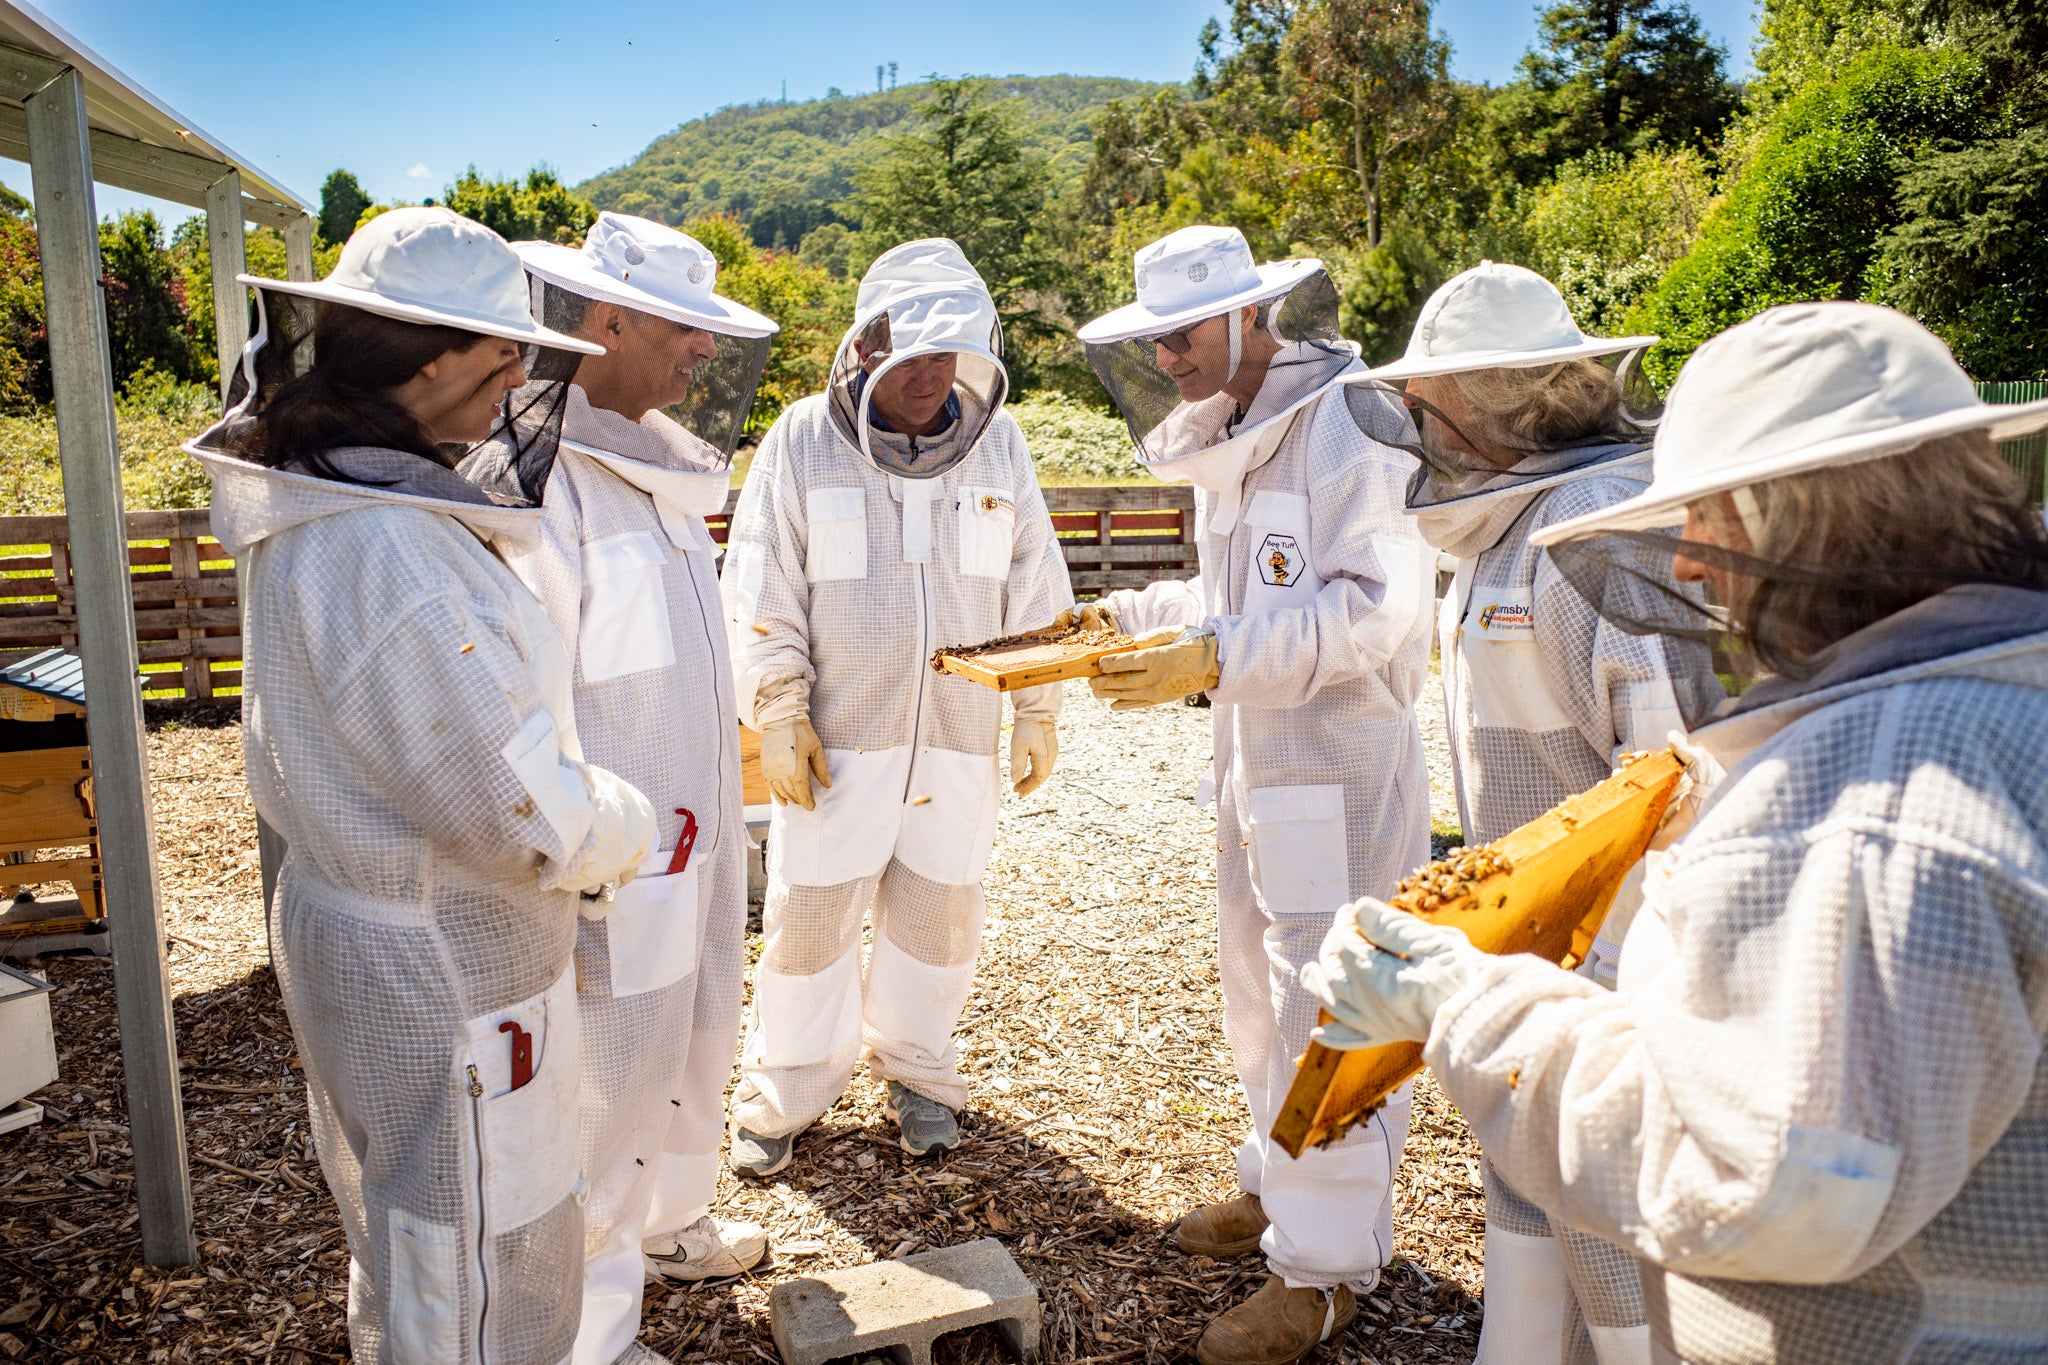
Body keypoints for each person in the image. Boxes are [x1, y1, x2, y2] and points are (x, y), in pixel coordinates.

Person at [1306, 301, 2048, 1364]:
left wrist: (1462, 1001)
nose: (1689, 566)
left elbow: (1779, 1186)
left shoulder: (1866, 802)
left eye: (1708, 521)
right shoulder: (2001, 704)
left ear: (1792, 517)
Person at [189, 207, 657, 1364]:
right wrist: (626, 823)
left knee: (413, 1232)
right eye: (503, 357)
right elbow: (512, 812)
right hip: (447, 961)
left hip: (386, 936)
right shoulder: (387, 549)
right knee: (470, 1254)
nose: (514, 387)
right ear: (428, 356)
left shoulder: (345, 505)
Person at [1347, 261, 1726, 1365]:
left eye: (1433, 400)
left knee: (1607, 1222)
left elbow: (1672, 782)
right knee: (1523, 1185)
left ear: (1496, 399)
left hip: (1613, 968)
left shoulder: (1596, 525)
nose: (1417, 421)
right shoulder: (1506, 526)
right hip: (1532, 959)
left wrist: (1622, 977)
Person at [1075, 224, 1435, 1365]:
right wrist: (1129, 621)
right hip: (1255, 765)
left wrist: (1212, 654)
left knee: (1327, 1017)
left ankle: (1326, 1272)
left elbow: (1374, 610)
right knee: (1255, 995)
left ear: (1248, 317)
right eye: (1156, 340)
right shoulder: (1231, 435)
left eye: (1182, 335)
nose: (1169, 359)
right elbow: (1227, 592)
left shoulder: (1349, 423)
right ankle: (1279, 1187)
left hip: (1337, 768)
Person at [462, 212, 776, 1365]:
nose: (703, 354)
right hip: (611, 872)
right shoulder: (541, 488)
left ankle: (667, 1226)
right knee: (596, 1100)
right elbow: (522, 720)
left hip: (686, 847)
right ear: (605, 321)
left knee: (686, 1047)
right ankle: (587, 1338)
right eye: (684, 328)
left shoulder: (652, 470)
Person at [720, 238, 1072, 1174]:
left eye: (946, 354)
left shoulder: (1000, 443)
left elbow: (1035, 583)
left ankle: (919, 1071)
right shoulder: (801, 440)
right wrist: (781, 710)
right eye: (910, 352)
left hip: (958, 738)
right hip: (838, 742)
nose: (928, 373)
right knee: (809, 919)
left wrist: (1037, 707)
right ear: (867, 348)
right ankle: (784, 1091)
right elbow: (762, 586)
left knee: (941, 914)